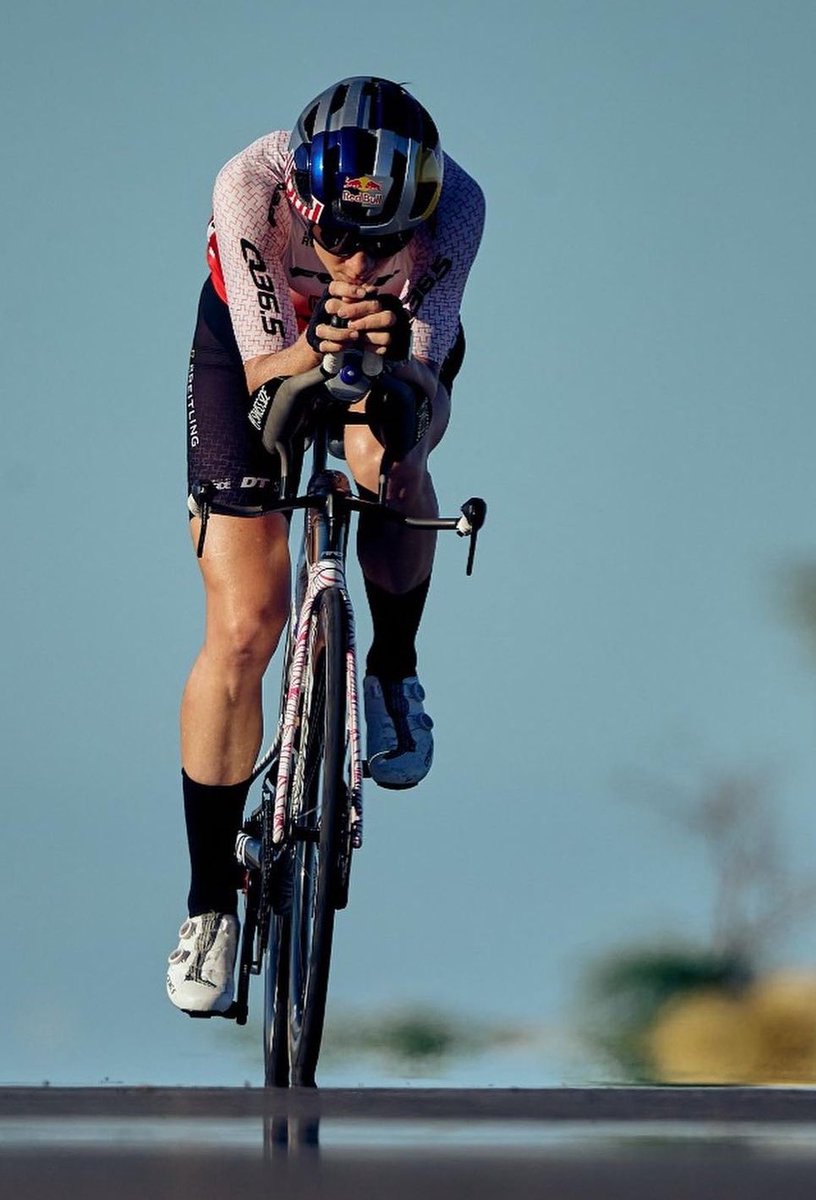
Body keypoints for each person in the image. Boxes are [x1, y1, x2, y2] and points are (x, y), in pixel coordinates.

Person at [167, 76, 485, 1014]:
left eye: (383, 243)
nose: (353, 260)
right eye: (338, 238)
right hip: (254, 345)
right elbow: (268, 389)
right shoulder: (251, 187)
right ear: (305, 204)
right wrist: (319, 346)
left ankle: (391, 669)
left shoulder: (459, 208)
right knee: (244, 621)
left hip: (395, 346)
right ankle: (209, 907)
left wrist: (392, 364)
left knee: (390, 469)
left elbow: (425, 399)